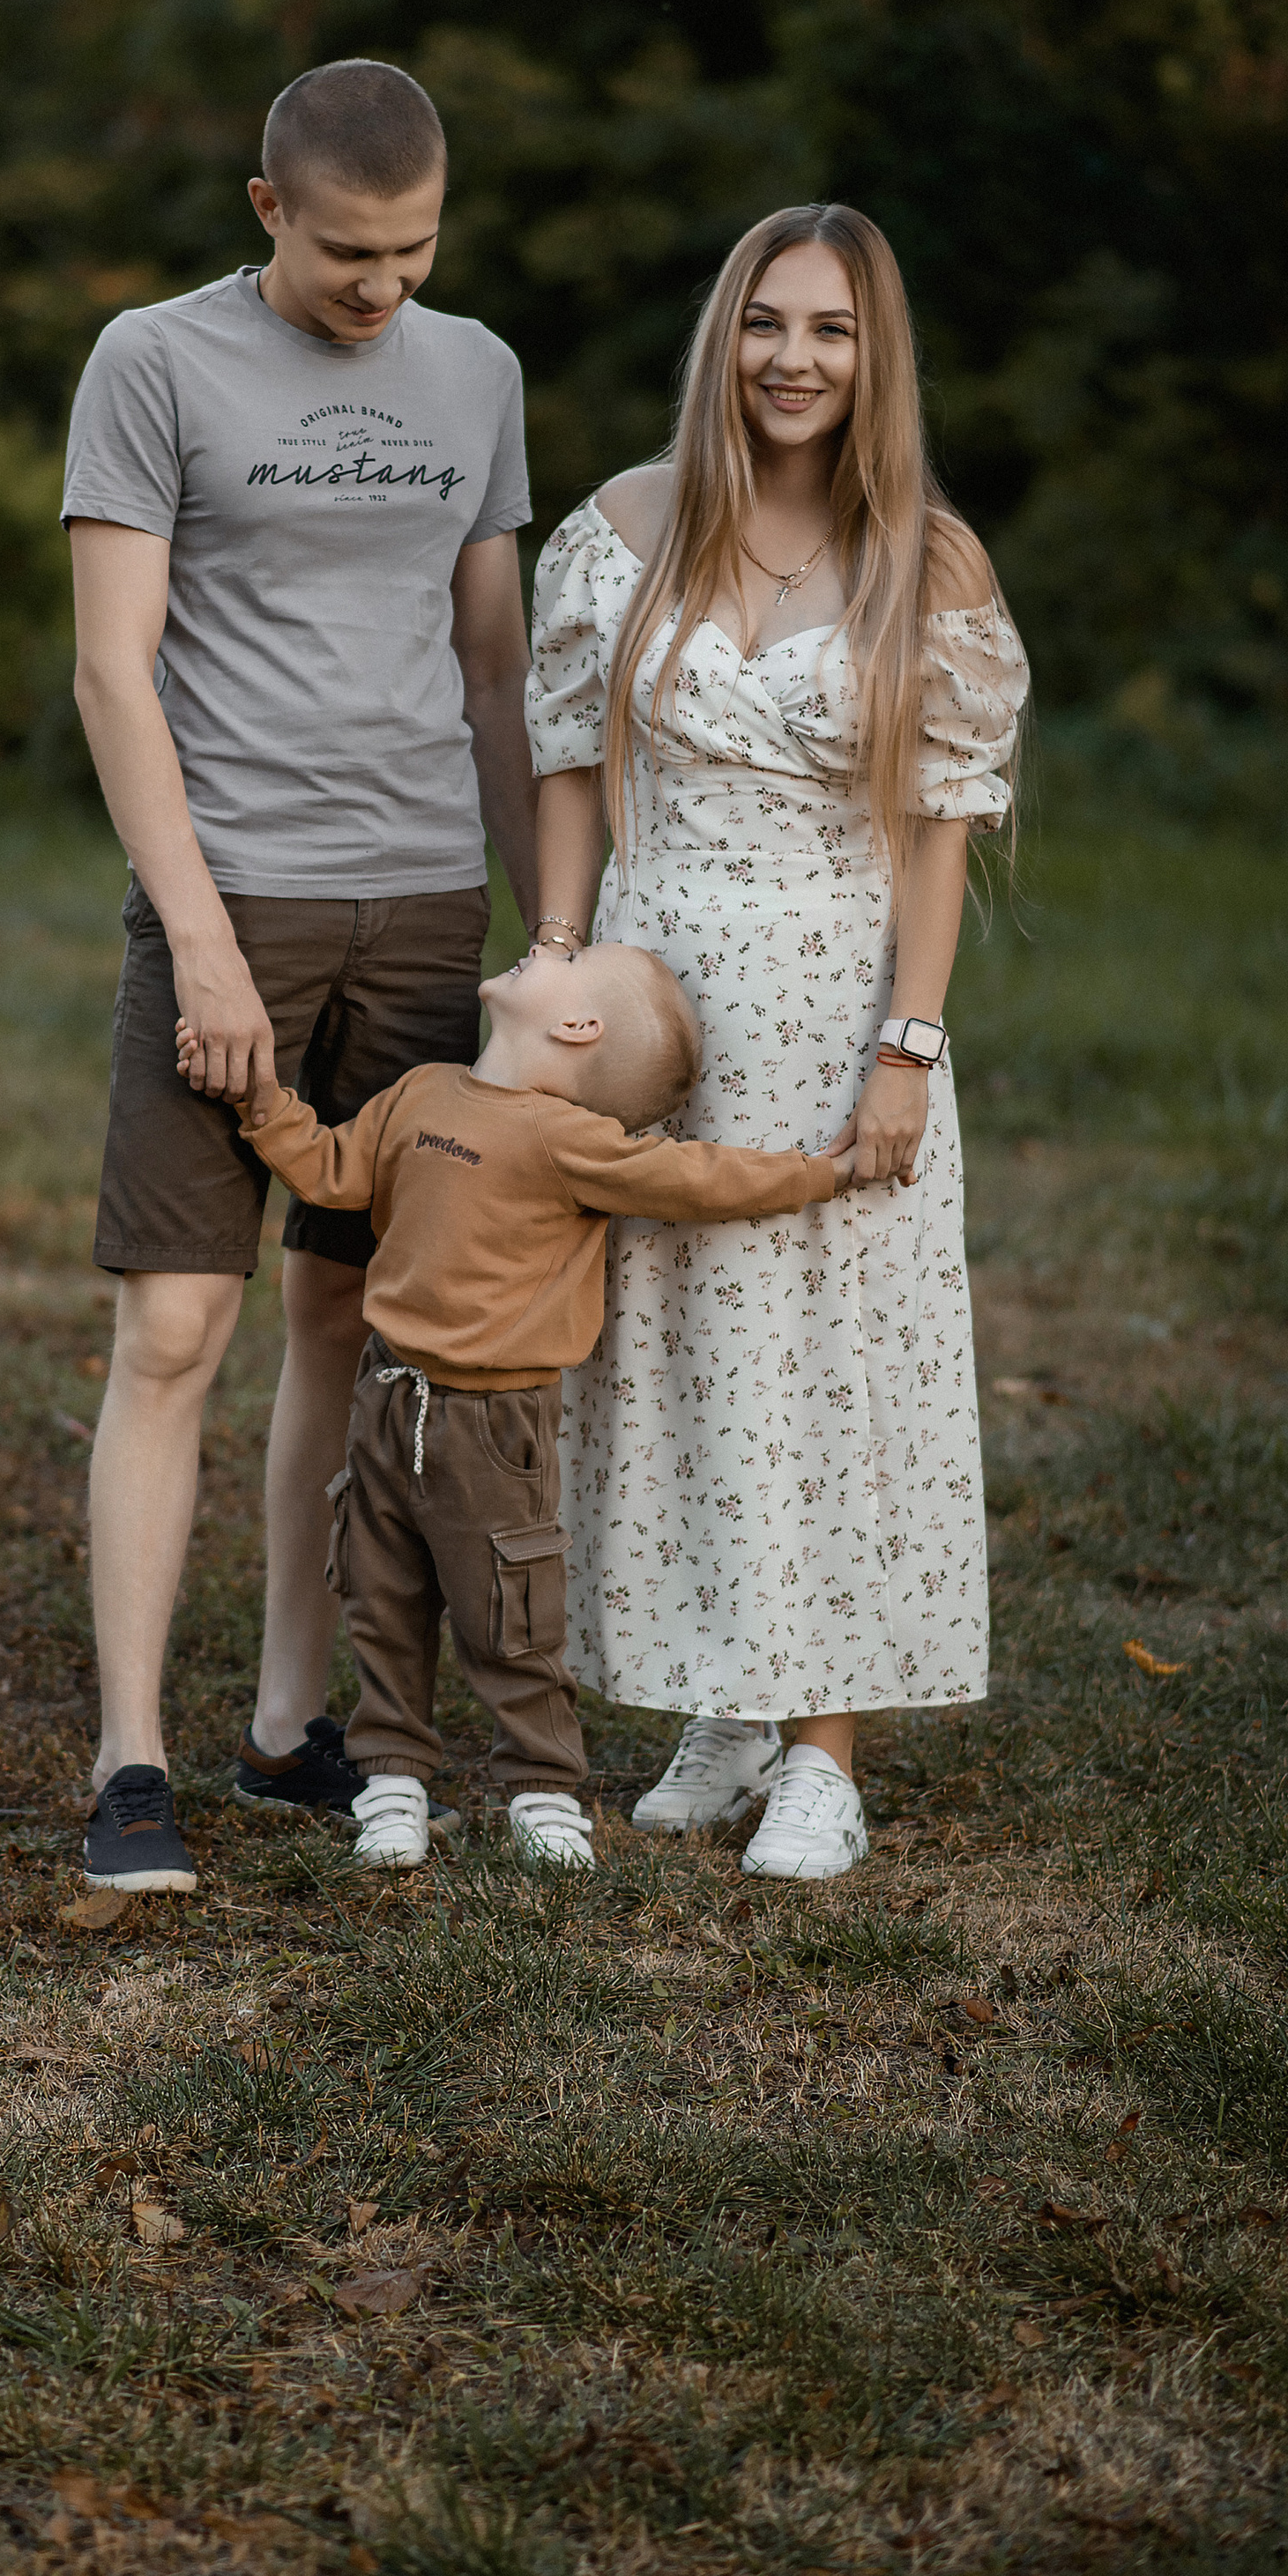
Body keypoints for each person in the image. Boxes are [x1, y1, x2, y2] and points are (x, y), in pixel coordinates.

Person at [63, 57, 540, 1895]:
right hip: (233, 903)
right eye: (348, 252)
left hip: (420, 909)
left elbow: (492, 672)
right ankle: (129, 1762)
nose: (381, 287)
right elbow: (114, 672)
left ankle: (286, 1723)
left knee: (342, 1320)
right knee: (178, 1327)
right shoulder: (154, 362)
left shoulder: (477, 373)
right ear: (268, 208)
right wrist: (197, 939)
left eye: (413, 251)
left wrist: (545, 925)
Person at [525, 202, 1030, 1882]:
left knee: (829, 1367)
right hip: (658, 1007)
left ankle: (828, 1755)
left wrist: (909, 1046)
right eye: (765, 322)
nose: (792, 359)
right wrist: (559, 970)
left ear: (875, 358)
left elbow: (942, 825)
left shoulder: (927, 563)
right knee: (673, 1353)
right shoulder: (622, 531)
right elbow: (567, 767)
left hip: (833, 1014)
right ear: (721, 337)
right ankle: (729, 1699)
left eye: (830, 330)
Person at [193, 940, 853, 1872]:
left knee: (512, 1618)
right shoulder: (422, 1093)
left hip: (495, 1430)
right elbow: (334, 1169)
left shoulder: (568, 1140)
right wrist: (261, 1100)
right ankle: (391, 1782)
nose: (548, 942)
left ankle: (542, 1791)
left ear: (576, 1026)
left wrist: (823, 1173)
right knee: (381, 1600)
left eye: (571, 955)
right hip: (386, 1400)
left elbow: (699, 1178)